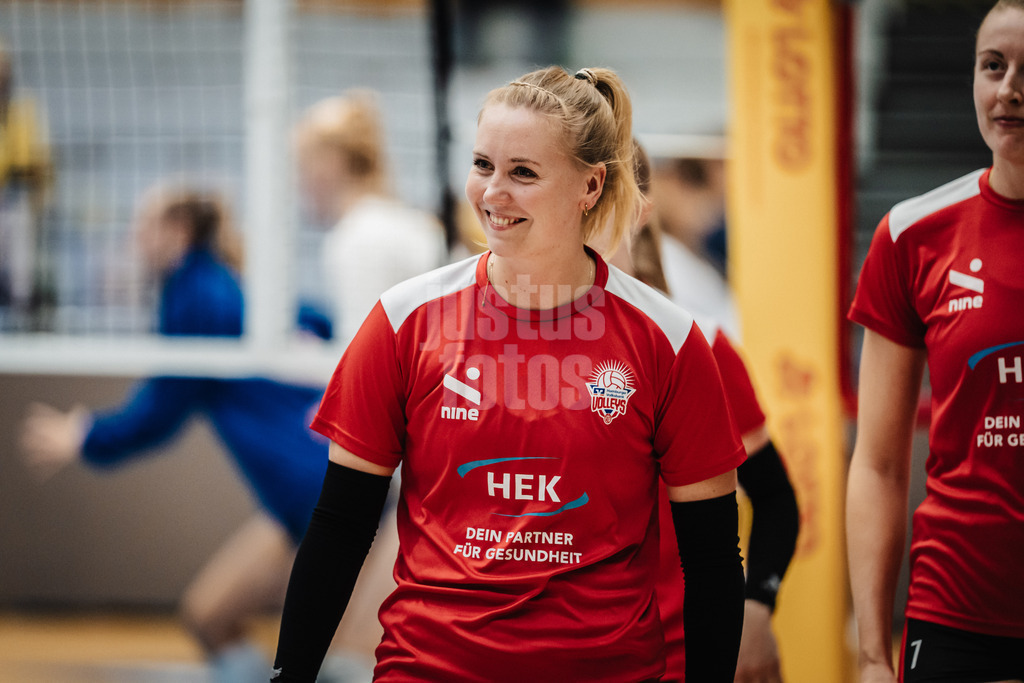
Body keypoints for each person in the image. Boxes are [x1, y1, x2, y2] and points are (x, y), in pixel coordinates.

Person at [271, 66, 747, 682]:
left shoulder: (670, 340)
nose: (493, 192)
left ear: (590, 186)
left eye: (523, 172)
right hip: (430, 668)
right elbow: (341, 525)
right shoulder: (402, 321)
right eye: (483, 165)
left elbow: (711, 559)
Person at [18, 183, 330, 683]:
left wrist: (87, 436)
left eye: (142, 226)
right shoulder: (224, 282)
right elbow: (312, 316)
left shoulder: (196, 292)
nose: (133, 239)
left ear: (176, 232)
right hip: (300, 499)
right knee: (209, 617)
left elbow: (163, 407)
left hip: (326, 495)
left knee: (349, 659)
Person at [846, 2, 1024, 682]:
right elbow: (880, 463)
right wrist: (869, 651)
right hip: (954, 612)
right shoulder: (912, 234)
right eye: (993, 66)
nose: (1009, 88)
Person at [597, 142, 801, 683]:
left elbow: (777, 498)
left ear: (636, 211)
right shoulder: (510, 353)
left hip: (678, 655)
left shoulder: (699, 344)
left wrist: (756, 612)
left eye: (600, 200)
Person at [293, 89, 448, 344]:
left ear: (330, 164)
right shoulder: (399, 222)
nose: (298, 184)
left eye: (302, 168)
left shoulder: (358, 238)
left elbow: (366, 362)